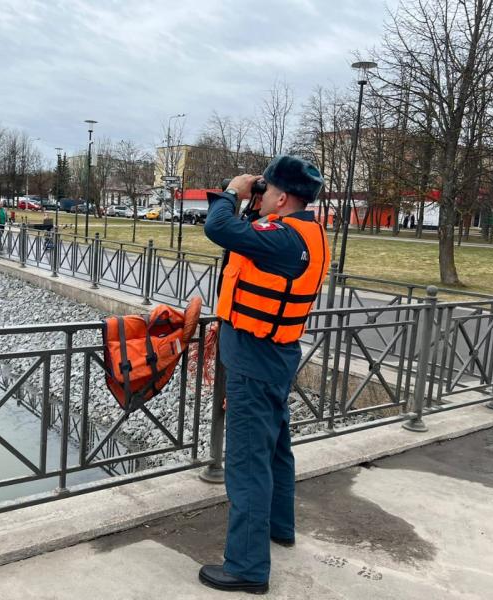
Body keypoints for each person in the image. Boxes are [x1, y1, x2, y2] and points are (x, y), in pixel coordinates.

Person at [199, 155, 330, 594]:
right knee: (275, 447)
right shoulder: (306, 233)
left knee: (247, 462)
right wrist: (254, 199)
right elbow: (247, 237)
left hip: (255, 361)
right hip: (276, 355)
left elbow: (218, 228)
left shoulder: (283, 239)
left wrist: (234, 191)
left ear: (281, 197)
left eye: (268, 191)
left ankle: (246, 567)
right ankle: (279, 526)